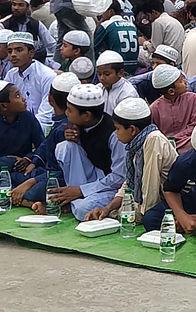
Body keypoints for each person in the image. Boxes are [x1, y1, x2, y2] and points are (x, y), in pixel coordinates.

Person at [28, 83, 125, 219]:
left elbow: (119, 178)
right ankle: (71, 199)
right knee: (65, 147)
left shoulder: (114, 135)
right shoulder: (78, 125)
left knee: (82, 210)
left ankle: (70, 203)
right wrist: (76, 141)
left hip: (112, 186)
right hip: (90, 180)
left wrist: (80, 190)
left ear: (87, 115)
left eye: (69, 110)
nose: (66, 113)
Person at [85, 97, 178, 222]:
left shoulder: (153, 140)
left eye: (118, 129)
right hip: (156, 200)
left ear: (133, 129)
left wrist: (131, 214)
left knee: (146, 218)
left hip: (176, 200)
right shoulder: (135, 146)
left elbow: (150, 191)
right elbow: (129, 183)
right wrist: (107, 208)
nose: (116, 133)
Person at [149, 64, 196, 152]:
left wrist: (176, 138)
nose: (186, 82)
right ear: (171, 91)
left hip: (190, 140)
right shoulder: (154, 108)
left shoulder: (192, 98)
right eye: (181, 81)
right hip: (165, 146)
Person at [3, 32, 57, 116]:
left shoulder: (47, 75)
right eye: (10, 51)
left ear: (31, 53)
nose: (13, 55)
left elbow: (46, 114)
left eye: (19, 50)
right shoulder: (11, 75)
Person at [95, 49, 138, 118]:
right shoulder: (98, 89)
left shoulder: (127, 94)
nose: (102, 78)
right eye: (99, 74)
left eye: (107, 74)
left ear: (120, 73)